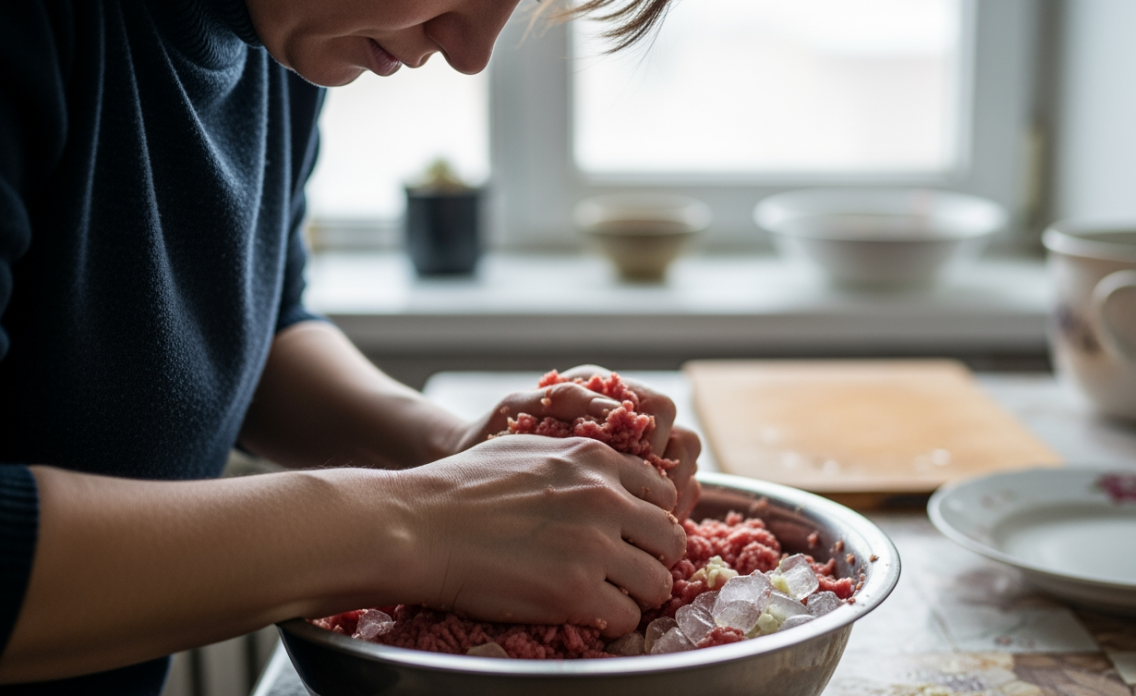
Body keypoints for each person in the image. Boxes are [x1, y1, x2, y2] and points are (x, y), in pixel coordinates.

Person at [0, 0, 695, 692]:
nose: (470, 50)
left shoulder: (284, 39)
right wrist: (411, 522)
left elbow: (247, 329)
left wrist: (459, 449)